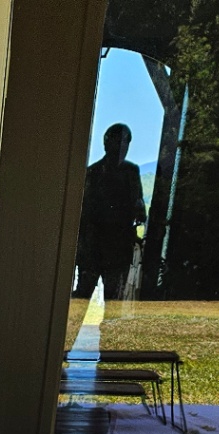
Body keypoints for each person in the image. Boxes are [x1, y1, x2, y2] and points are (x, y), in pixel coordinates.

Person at [74, 123, 148, 302]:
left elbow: (139, 210)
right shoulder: (93, 173)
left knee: (112, 301)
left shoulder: (129, 172)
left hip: (116, 250)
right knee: (83, 299)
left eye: (126, 143)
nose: (122, 147)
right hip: (95, 248)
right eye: (119, 142)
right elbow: (84, 213)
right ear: (107, 143)